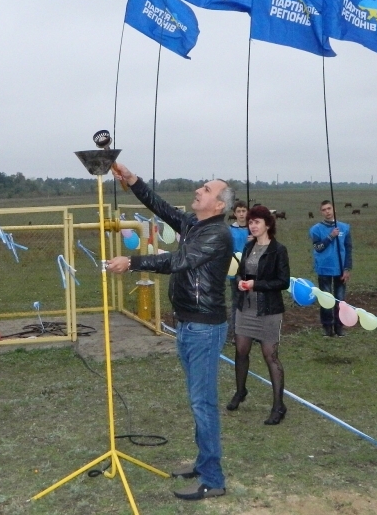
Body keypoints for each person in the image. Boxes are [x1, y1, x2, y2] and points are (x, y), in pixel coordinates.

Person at [106, 164, 234, 501]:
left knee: (203, 403)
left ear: (218, 205)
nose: (199, 190)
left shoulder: (217, 235)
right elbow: (160, 207)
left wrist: (131, 262)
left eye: (206, 189)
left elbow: (179, 261)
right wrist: (132, 181)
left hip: (205, 328)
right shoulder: (194, 225)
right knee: (198, 402)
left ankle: (213, 479)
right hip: (188, 324)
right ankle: (203, 463)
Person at [227, 206, 290, 425]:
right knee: (241, 350)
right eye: (251, 222)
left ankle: (278, 405)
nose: (252, 226)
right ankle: (240, 391)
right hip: (245, 308)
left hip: (268, 310)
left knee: (269, 355)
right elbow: (239, 273)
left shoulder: (278, 250)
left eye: (257, 222)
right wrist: (240, 281)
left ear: (268, 225)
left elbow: (283, 281)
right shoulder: (247, 247)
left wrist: (257, 284)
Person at [309, 200, 352, 337]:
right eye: (324, 210)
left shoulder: (344, 228)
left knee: (340, 299)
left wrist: (347, 268)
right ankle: (327, 327)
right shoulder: (316, 229)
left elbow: (348, 249)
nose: (327, 212)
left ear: (334, 209)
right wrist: (330, 236)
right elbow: (318, 248)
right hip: (324, 269)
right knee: (326, 300)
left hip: (340, 269)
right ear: (321, 212)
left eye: (329, 208)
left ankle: (339, 327)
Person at [227, 200, 250, 339]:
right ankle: (234, 333)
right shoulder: (230, 231)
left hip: (252, 270)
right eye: (239, 211)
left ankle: (251, 332)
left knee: (252, 302)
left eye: (244, 211)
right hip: (236, 271)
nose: (241, 214)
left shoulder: (253, 228)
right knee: (237, 301)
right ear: (234, 214)